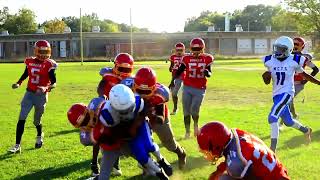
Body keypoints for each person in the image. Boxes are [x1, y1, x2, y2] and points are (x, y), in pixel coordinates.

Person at [67, 84, 171, 180]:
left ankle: (158, 169)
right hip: (112, 147)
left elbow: (108, 101)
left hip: (125, 140)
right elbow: (111, 138)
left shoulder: (101, 108)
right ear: (80, 127)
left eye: (86, 118)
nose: (88, 122)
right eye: (84, 123)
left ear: (89, 110)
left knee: (145, 159)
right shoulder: (88, 136)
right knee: (104, 176)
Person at [262, 36, 320, 152]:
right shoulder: (269, 60)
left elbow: (305, 75)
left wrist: (319, 82)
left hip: (287, 92)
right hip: (276, 94)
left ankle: (272, 151)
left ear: (288, 49)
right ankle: (306, 130)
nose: (278, 51)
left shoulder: (295, 59)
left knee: (273, 117)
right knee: (289, 122)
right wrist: (265, 77)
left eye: (281, 49)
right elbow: (267, 82)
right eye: (277, 48)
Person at [122, 67, 187, 170]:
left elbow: (160, 117)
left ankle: (181, 153)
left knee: (169, 143)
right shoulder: (126, 87)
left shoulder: (160, 94)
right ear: (134, 85)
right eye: (139, 90)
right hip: (138, 117)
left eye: (146, 92)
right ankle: (148, 167)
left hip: (155, 116)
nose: (142, 94)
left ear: (153, 88)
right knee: (138, 143)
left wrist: (153, 116)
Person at [87, 52, 134, 176]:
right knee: (99, 134)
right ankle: (94, 162)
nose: (123, 72)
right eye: (121, 68)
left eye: (126, 69)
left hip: (118, 109)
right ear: (115, 66)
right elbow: (100, 87)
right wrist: (102, 95)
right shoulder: (108, 74)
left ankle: (115, 163)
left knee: (116, 135)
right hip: (104, 107)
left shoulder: (130, 80)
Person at [8, 40, 57, 153]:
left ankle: (40, 135)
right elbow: (26, 74)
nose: (44, 53)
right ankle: (17, 145)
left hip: (41, 96)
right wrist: (19, 83)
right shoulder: (29, 61)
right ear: (36, 50)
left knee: (36, 121)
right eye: (41, 50)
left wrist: (46, 88)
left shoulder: (49, 64)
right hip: (29, 93)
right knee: (22, 117)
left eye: (46, 51)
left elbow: (54, 82)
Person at [197, 121, 290, 180]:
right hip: (277, 170)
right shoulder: (234, 136)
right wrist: (217, 171)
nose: (206, 154)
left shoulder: (236, 162)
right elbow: (232, 155)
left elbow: (238, 163)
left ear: (216, 147)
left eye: (206, 151)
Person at [169, 37, 214, 138]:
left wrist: (207, 73)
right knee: (186, 111)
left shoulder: (207, 58)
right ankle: (187, 132)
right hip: (187, 87)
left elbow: (210, 72)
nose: (196, 52)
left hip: (200, 88)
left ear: (203, 49)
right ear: (191, 49)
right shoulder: (186, 58)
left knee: (194, 109)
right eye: (194, 49)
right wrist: (172, 81)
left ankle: (196, 124)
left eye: (198, 49)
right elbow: (179, 71)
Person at [290, 37, 319, 118]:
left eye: (297, 44)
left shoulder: (304, 58)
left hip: (298, 84)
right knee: (288, 101)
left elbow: (316, 69)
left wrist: (306, 80)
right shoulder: (288, 56)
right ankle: (294, 115)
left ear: (302, 46)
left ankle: (282, 123)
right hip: (288, 83)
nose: (295, 46)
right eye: (293, 44)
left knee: (288, 101)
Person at [169, 42, 186, 115]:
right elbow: (171, 66)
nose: (179, 52)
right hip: (174, 76)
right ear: (175, 50)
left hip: (182, 77)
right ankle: (175, 107)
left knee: (175, 93)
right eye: (178, 50)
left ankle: (176, 109)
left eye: (181, 50)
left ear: (184, 50)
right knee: (173, 94)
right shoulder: (173, 57)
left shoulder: (186, 57)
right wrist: (170, 68)